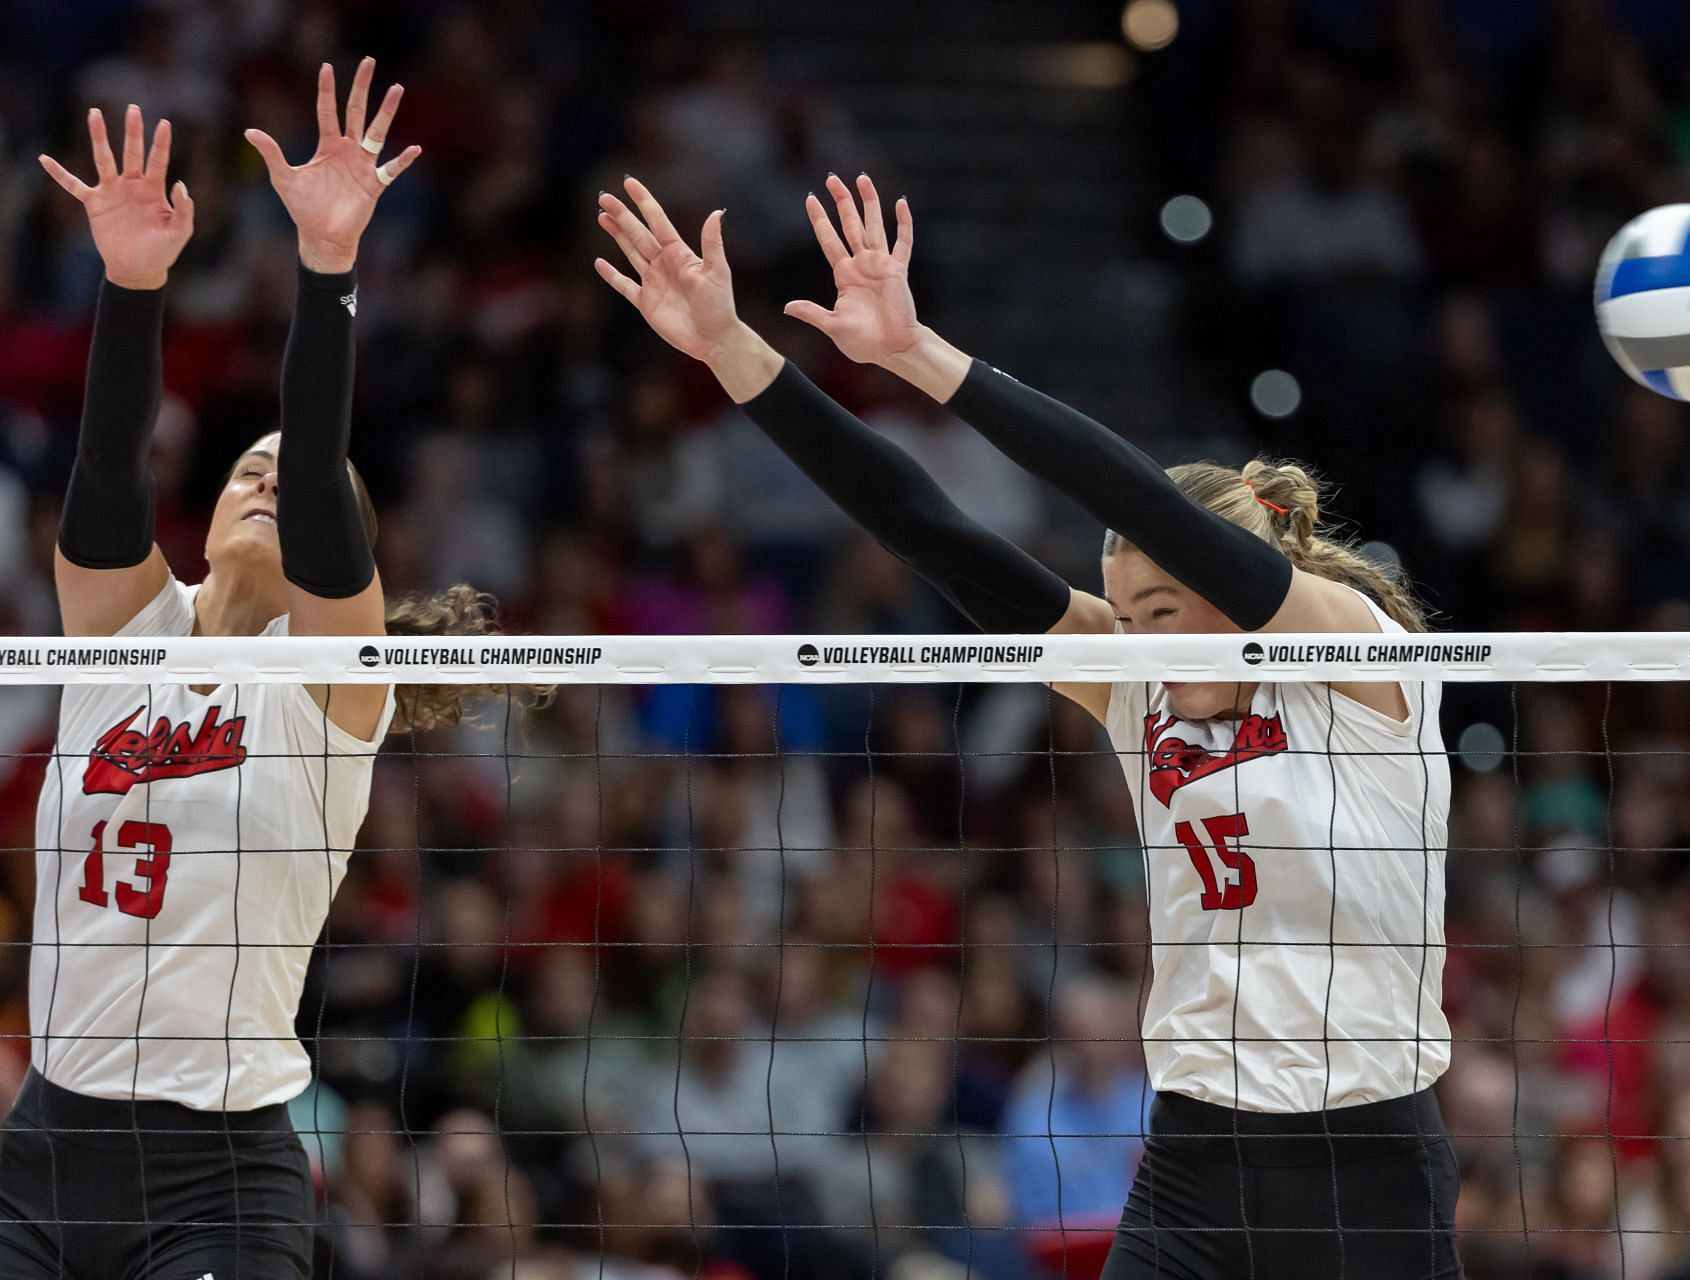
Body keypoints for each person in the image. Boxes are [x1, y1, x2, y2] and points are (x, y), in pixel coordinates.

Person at [593, 172, 1461, 1279]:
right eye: (1127, 615)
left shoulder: (1354, 659)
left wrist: (919, 353)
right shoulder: (1135, 692)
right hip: (1195, 1151)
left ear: (1241, 589)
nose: (1141, 641)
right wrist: (733, 352)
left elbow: (1138, 496)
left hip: (1364, 1160)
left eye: (1167, 610)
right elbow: (927, 528)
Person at [1, 63, 523, 1279]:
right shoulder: (125, 629)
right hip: (43, 1146)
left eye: (302, 476)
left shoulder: (334, 680)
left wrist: (327, 268)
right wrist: (134, 287)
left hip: (216, 1176)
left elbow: (319, 453)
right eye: (251, 461)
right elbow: (106, 484)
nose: (268, 477)